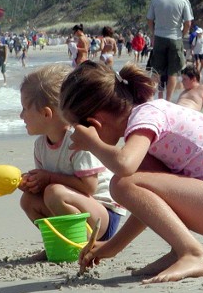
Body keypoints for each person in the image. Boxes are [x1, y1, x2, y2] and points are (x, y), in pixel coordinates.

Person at [58, 61, 203, 284]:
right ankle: (180, 249)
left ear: (95, 122)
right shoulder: (145, 122)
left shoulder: (145, 116)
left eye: (78, 130)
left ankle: (193, 253)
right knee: (130, 183)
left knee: (121, 183)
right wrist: (111, 247)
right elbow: (149, 204)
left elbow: (124, 166)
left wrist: (93, 143)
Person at [18, 64, 126, 256]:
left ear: (46, 113)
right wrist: (33, 183)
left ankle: (81, 245)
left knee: (54, 192)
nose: (21, 116)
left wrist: (49, 178)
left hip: (102, 215)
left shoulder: (78, 140)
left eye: (25, 109)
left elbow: (89, 186)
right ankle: (60, 241)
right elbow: (45, 185)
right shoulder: (40, 146)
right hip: (74, 206)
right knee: (28, 200)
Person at [147, 0, 194, 101]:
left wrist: (153, 33)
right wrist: (182, 34)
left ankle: (151, 97)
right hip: (175, 37)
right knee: (173, 72)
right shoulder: (183, 1)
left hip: (159, 37)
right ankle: (168, 100)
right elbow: (188, 22)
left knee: (156, 70)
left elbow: (150, 20)